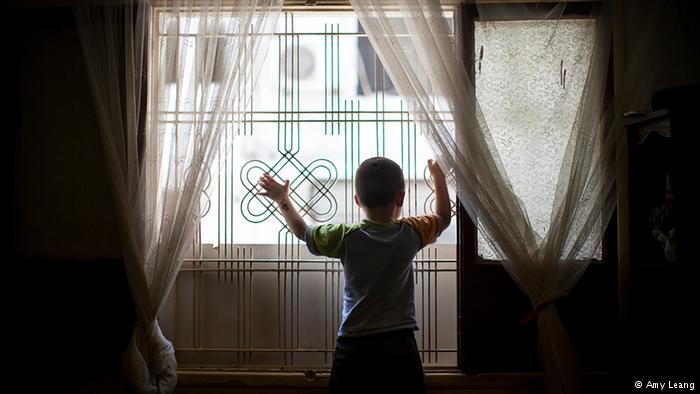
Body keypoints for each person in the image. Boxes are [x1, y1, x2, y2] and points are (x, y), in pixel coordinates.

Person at [257, 157, 451, 394]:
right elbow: (443, 217)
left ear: (357, 201)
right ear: (400, 198)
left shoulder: (345, 236)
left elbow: (303, 232)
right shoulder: (411, 232)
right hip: (399, 342)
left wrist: (282, 199)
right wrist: (438, 177)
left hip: (354, 344)